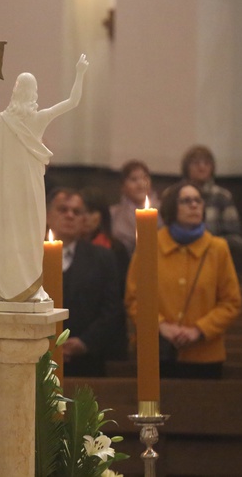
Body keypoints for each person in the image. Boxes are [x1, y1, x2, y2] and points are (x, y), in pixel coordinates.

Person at [0, 54, 88, 302]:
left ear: (15, 91)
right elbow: (73, 101)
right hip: (31, 187)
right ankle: (29, 288)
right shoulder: (38, 118)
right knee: (31, 235)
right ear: (33, 93)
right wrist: (79, 72)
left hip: (7, 188)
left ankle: (6, 288)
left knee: (9, 232)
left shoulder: (0, 120)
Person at [125, 180, 241, 379]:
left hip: (205, 355)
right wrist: (161, 325)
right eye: (186, 201)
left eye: (198, 201)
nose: (194, 205)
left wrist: (198, 330)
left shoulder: (218, 248)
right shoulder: (150, 244)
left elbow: (231, 303)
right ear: (171, 208)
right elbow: (134, 299)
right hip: (157, 352)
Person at [47, 187, 126, 376]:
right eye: (62, 210)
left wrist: (84, 342)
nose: (69, 215)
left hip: (87, 361)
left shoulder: (103, 258)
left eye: (76, 212)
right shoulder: (29, 257)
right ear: (48, 216)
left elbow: (112, 309)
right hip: (37, 357)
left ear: (84, 220)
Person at [180, 145, 242, 253]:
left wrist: (209, 243)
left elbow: (236, 240)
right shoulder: (174, 195)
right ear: (186, 167)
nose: (202, 167)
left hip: (213, 257)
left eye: (206, 163)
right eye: (196, 163)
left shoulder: (222, 196)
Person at [81, 186, 130, 298]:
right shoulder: (69, 248)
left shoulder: (116, 249)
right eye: (80, 212)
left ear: (102, 215)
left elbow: (121, 289)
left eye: (91, 212)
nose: (85, 217)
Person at [110, 159, 163, 257]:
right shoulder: (114, 213)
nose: (140, 184)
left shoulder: (164, 210)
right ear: (123, 186)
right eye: (133, 179)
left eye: (145, 178)